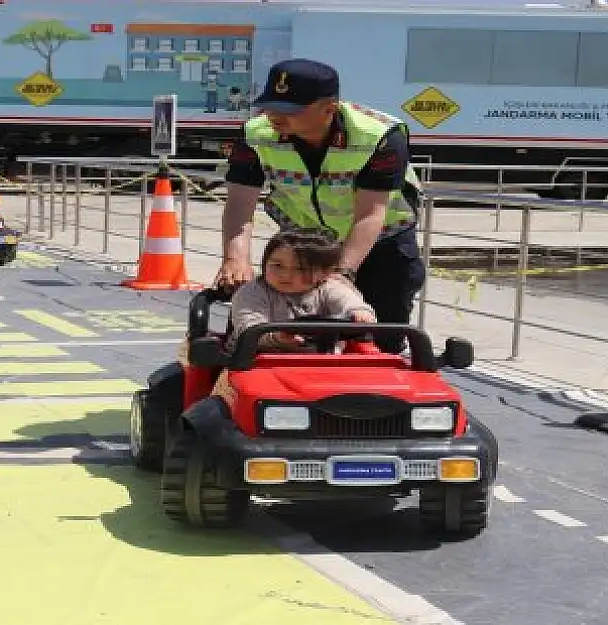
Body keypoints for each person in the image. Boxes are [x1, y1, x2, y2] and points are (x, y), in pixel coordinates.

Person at [215, 58, 426, 354]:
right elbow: (240, 201)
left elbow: (370, 213)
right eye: (270, 104)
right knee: (260, 329)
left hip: (381, 242)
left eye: (289, 109)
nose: (274, 115)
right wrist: (234, 258)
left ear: (329, 108)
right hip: (305, 243)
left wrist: (341, 272)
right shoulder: (255, 134)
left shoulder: (378, 137)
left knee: (379, 335)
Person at [179, 228, 377, 404]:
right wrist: (278, 338)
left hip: (324, 365)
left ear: (324, 273)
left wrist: (359, 313)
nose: (285, 275)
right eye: (277, 265)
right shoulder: (251, 293)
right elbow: (250, 327)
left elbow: (352, 303)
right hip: (253, 362)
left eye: (299, 269)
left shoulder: (329, 289)